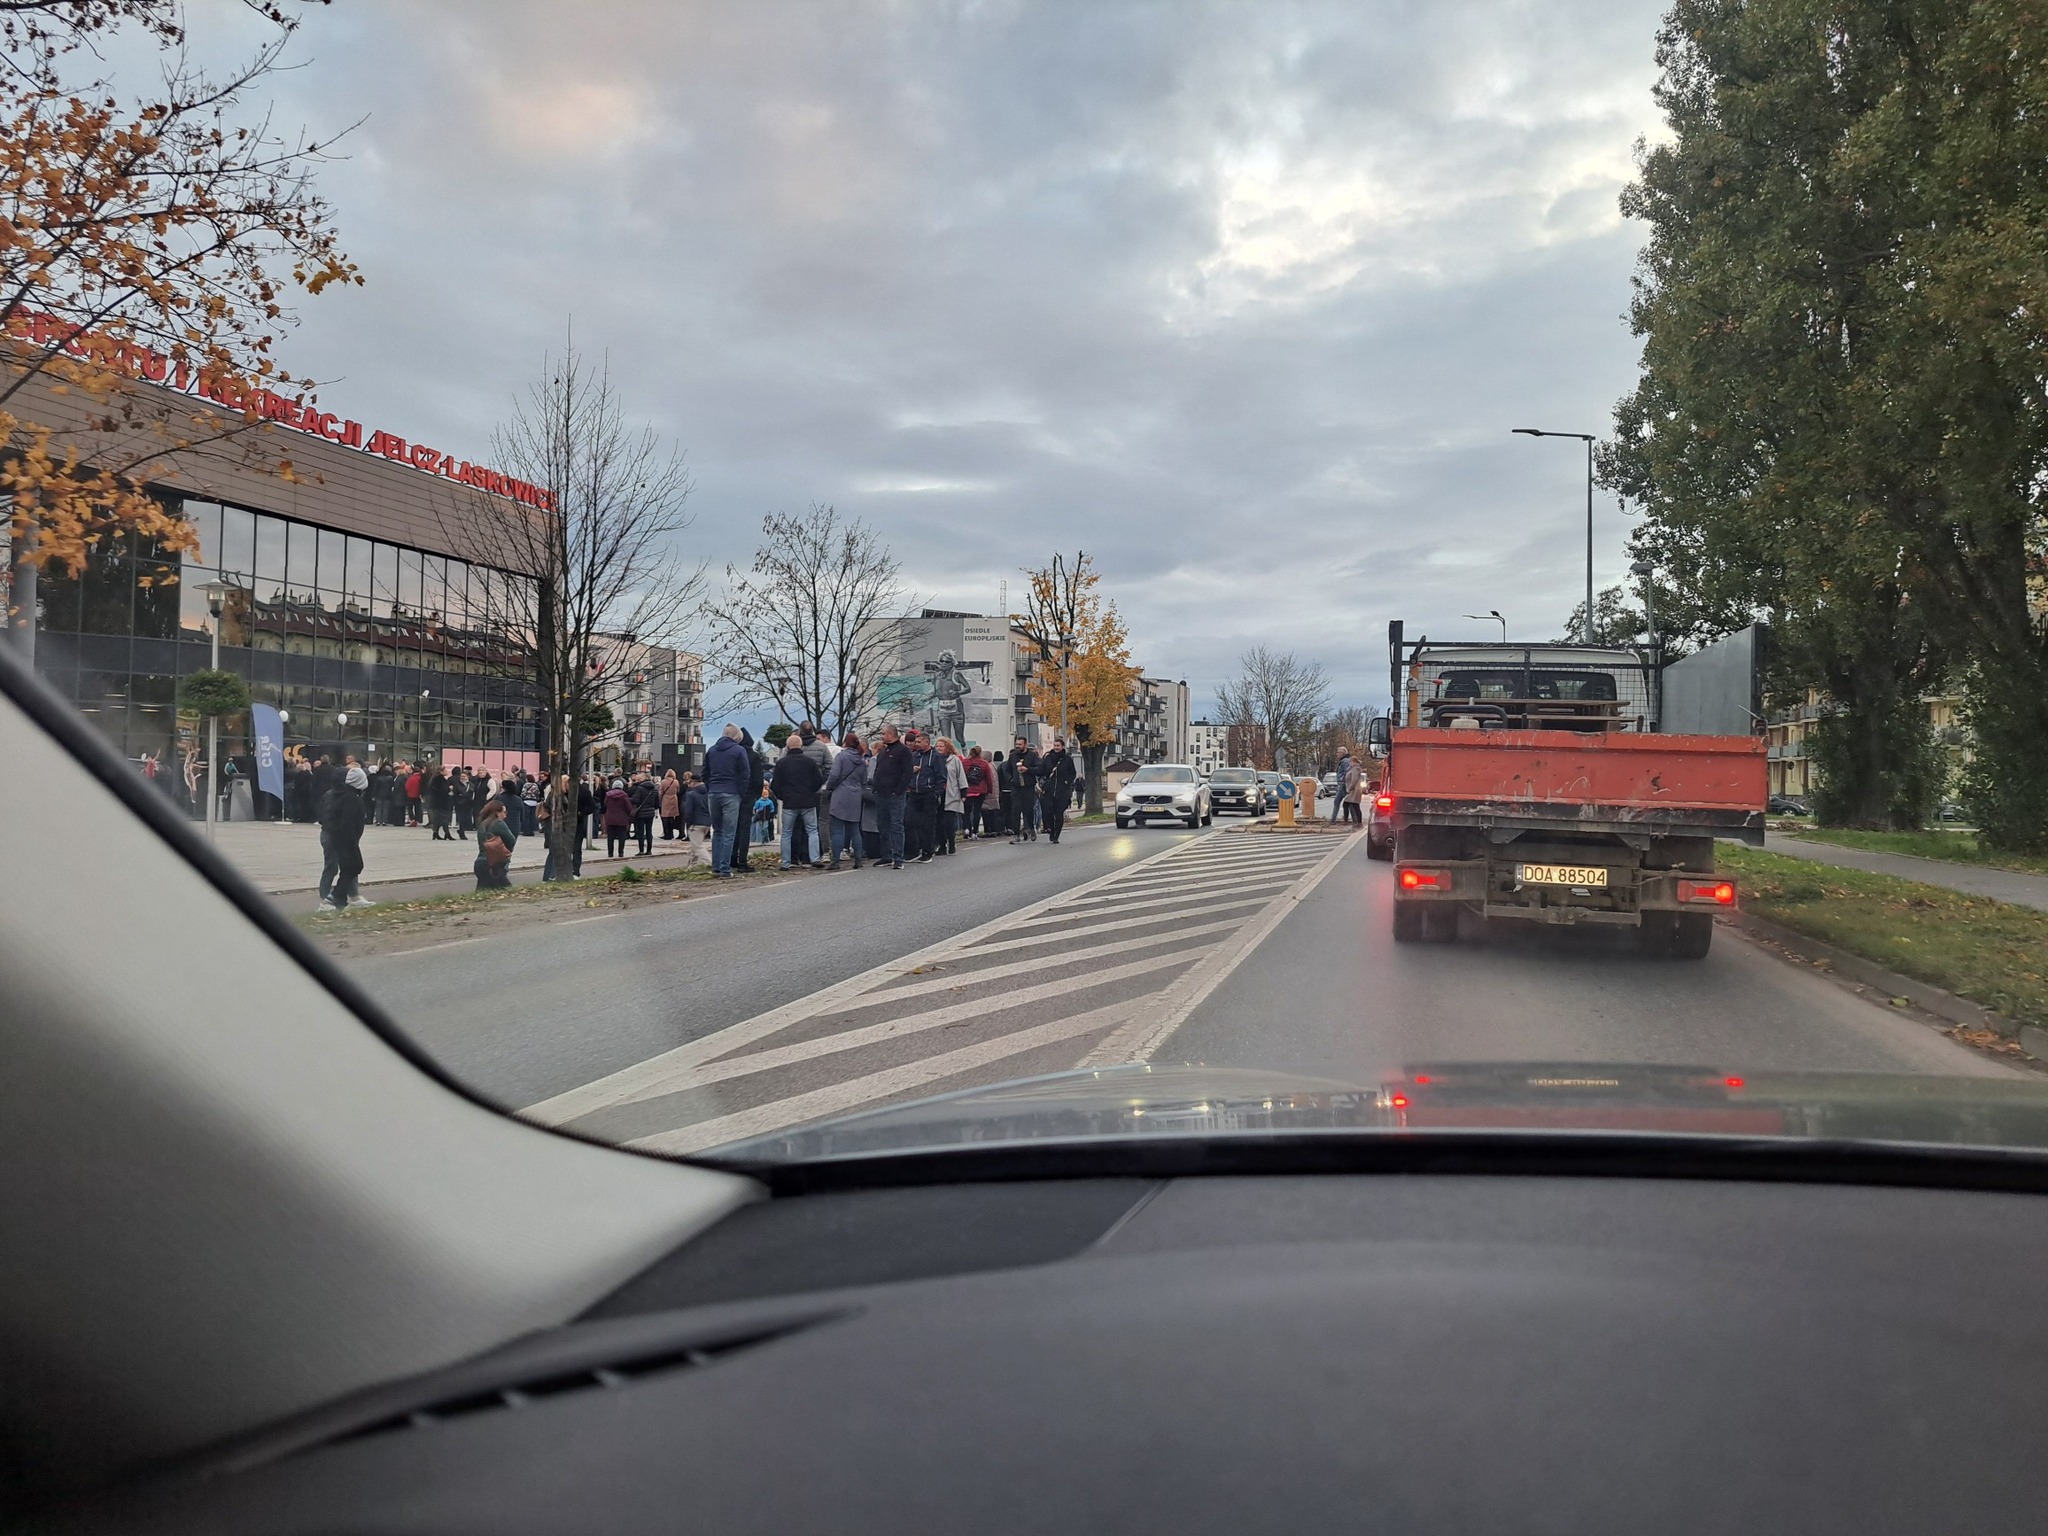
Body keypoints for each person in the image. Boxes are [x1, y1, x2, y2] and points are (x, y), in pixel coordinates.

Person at [703, 722, 751, 878]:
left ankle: (716, 867)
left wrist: (711, 788)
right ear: (736, 737)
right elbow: (745, 774)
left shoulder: (711, 750)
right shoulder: (739, 750)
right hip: (731, 793)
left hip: (713, 793)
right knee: (730, 833)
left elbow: (705, 773)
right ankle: (725, 868)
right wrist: (740, 793)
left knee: (717, 831)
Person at [319, 763, 369, 910]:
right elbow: (345, 820)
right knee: (336, 866)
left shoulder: (339, 794)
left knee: (349, 866)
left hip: (339, 835)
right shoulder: (348, 797)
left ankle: (349, 896)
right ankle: (328, 899)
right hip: (339, 836)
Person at [772, 735, 824, 871]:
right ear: (801, 746)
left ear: (787, 746)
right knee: (812, 830)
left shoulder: (782, 763)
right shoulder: (810, 762)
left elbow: (775, 785)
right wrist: (811, 792)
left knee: (786, 833)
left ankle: (786, 862)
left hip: (790, 803)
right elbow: (819, 780)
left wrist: (783, 796)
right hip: (808, 801)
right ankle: (815, 858)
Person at [871, 723, 913, 869]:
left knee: (896, 826)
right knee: (883, 826)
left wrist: (899, 790)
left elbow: (907, 772)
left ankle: (898, 857)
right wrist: (875, 787)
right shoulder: (883, 752)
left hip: (895, 795)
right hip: (881, 794)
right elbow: (878, 770)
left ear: (891, 734)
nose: (882, 736)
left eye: (883, 734)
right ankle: (886, 855)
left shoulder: (903, 751)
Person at [823, 730, 867, 870]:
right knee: (854, 829)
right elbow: (864, 779)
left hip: (840, 795)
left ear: (846, 743)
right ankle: (858, 860)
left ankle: (835, 861)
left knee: (837, 830)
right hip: (855, 796)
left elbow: (834, 775)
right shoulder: (861, 760)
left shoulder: (841, 756)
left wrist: (829, 788)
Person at [905, 730, 945, 863]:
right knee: (909, 821)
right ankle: (912, 850)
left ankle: (927, 851)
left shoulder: (936, 757)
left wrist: (936, 793)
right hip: (914, 792)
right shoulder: (914, 755)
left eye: (919, 742)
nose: (916, 744)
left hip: (928, 793)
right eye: (915, 742)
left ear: (927, 742)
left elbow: (941, 776)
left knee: (927, 824)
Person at [1038, 736, 1077, 844]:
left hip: (1062, 791)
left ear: (1062, 746)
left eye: (1058, 746)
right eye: (1054, 746)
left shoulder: (1067, 759)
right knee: (1047, 812)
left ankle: (1056, 835)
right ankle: (1051, 829)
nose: (1056, 748)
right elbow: (1042, 771)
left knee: (1058, 813)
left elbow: (1072, 773)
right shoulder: (1048, 758)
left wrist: (1066, 782)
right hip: (1049, 790)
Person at [474, 798, 517, 891]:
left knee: (482, 894)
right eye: (504, 812)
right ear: (497, 813)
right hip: (494, 865)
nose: (505, 815)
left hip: (480, 863)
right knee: (506, 891)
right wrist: (505, 850)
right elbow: (511, 840)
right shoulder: (498, 823)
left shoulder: (482, 825)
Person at [1005, 737, 1041, 842]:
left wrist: (1028, 770)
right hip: (1016, 787)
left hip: (1028, 787)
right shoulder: (1013, 756)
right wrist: (1011, 779)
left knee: (1028, 810)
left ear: (1025, 745)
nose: (1017, 746)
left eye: (1020, 744)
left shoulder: (1032, 756)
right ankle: (1016, 834)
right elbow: (1007, 770)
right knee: (1015, 810)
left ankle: (1031, 828)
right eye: (1016, 744)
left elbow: (1039, 768)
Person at [937, 737, 966, 855]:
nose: (938, 748)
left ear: (947, 748)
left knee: (948, 822)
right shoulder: (934, 759)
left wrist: (963, 793)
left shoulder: (954, 760)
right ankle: (942, 846)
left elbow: (961, 776)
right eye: (937, 746)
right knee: (938, 822)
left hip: (951, 794)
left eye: (941, 746)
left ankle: (951, 842)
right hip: (938, 794)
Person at [962, 745, 991, 838]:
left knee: (966, 811)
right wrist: (989, 789)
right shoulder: (984, 763)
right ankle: (975, 831)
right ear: (980, 753)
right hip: (980, 790)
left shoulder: (964, 762)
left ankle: (967, 829)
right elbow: (988, 778)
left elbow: (961, 776)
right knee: (977, 811)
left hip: (968, 790)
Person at [629, 770, 659, 857]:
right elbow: (657, 803)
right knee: (649, 831)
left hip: (641, 812)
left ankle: (641, 850)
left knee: (641, 832)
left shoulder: (640, 788)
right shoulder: (654, 788)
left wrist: (629, 799)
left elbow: (636, 800)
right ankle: (649, 850)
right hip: (650, 813)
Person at [602, 778, 633, 859]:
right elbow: (628, 807)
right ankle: (621, 852)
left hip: (610, 818)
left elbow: (605, 804)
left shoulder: (608, 795)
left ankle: (610, 853)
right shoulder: (624, 795)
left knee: (610, 837)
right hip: (622, 818)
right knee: (622, 837)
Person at [658, 769, 682, 840]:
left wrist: (660, 799)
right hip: (674, 799)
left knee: (665, 817)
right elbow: (678, 790)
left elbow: (660, 792)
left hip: (666, 799)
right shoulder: (676, 782)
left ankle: (666, 833)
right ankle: (671, 833)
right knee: (672, 817)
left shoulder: (663, 782)